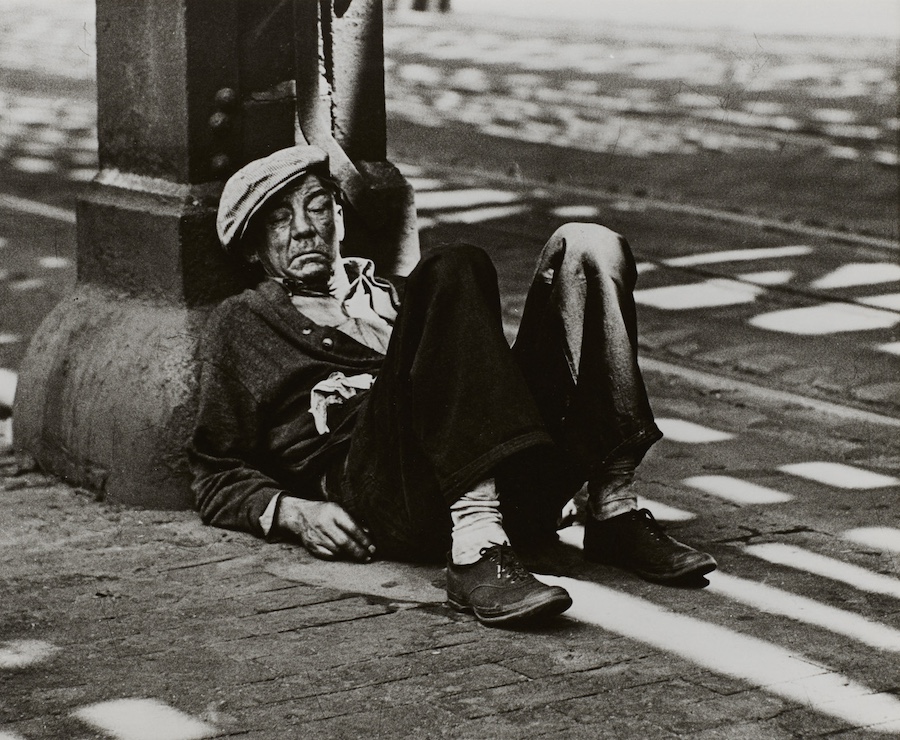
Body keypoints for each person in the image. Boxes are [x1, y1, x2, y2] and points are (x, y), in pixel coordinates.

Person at [188, 145, 716, 627]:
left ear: (340, 218)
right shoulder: (246, 321)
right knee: (454, 264)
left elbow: (482, 387)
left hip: (500, 479)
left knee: (589, 247)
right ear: (253, 250)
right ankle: (475, 551)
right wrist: (295, 513)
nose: (304, 229)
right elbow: (215, 472)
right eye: (279, 219)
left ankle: (613, 508)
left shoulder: (400, 295)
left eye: (318, 207)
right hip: (389, 493)